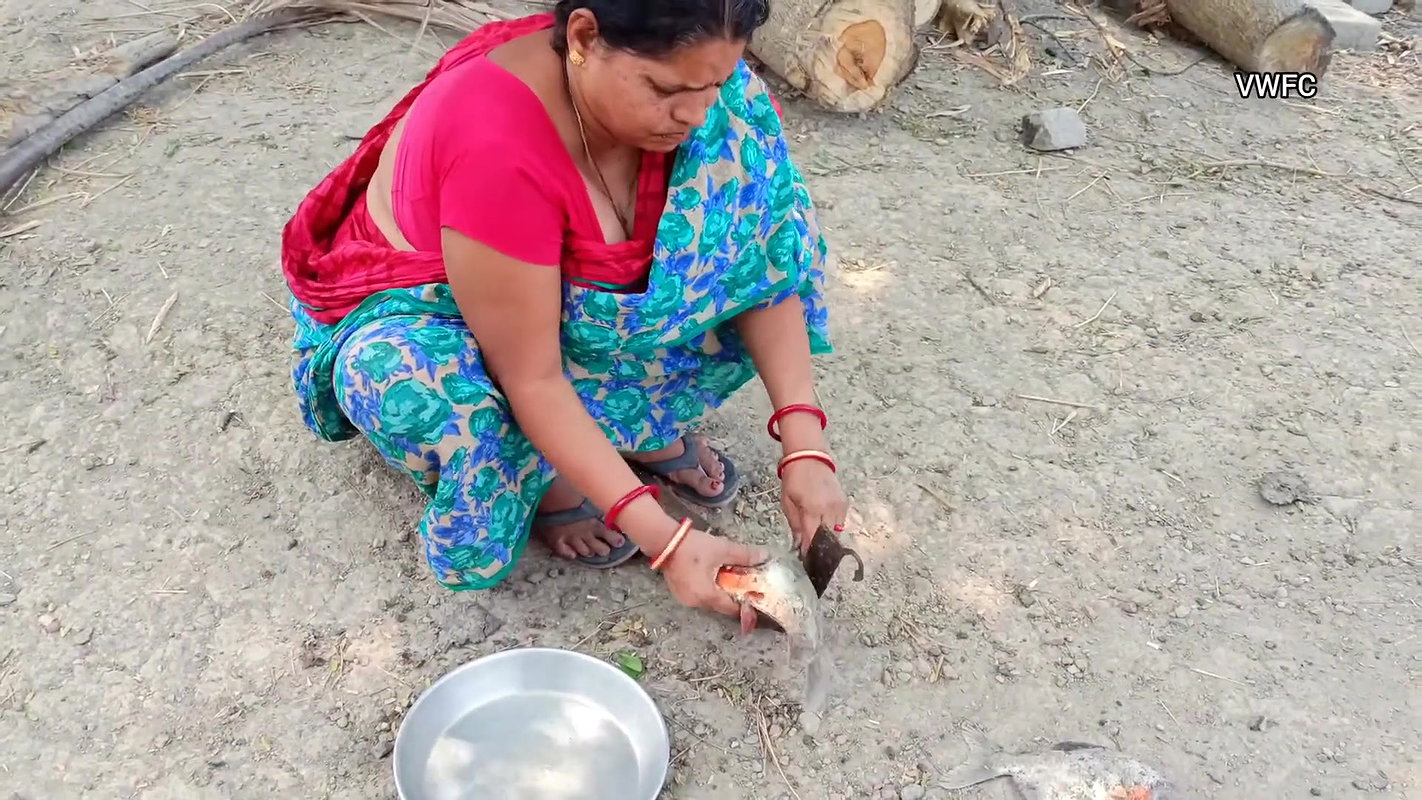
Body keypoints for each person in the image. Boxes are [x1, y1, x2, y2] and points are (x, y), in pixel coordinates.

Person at [279, 0, 847, 622]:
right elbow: (532, 375)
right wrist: (671, 545)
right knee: (413, 385)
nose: (695, 113)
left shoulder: (715, 99)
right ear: (582, 36)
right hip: (448, 314)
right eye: (666, 89)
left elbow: (761, 272)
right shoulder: (496, 143)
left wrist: (805, 444)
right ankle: (548, 481)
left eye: (715, 81)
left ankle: (630, 430)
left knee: (732, 239)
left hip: (559, 309)